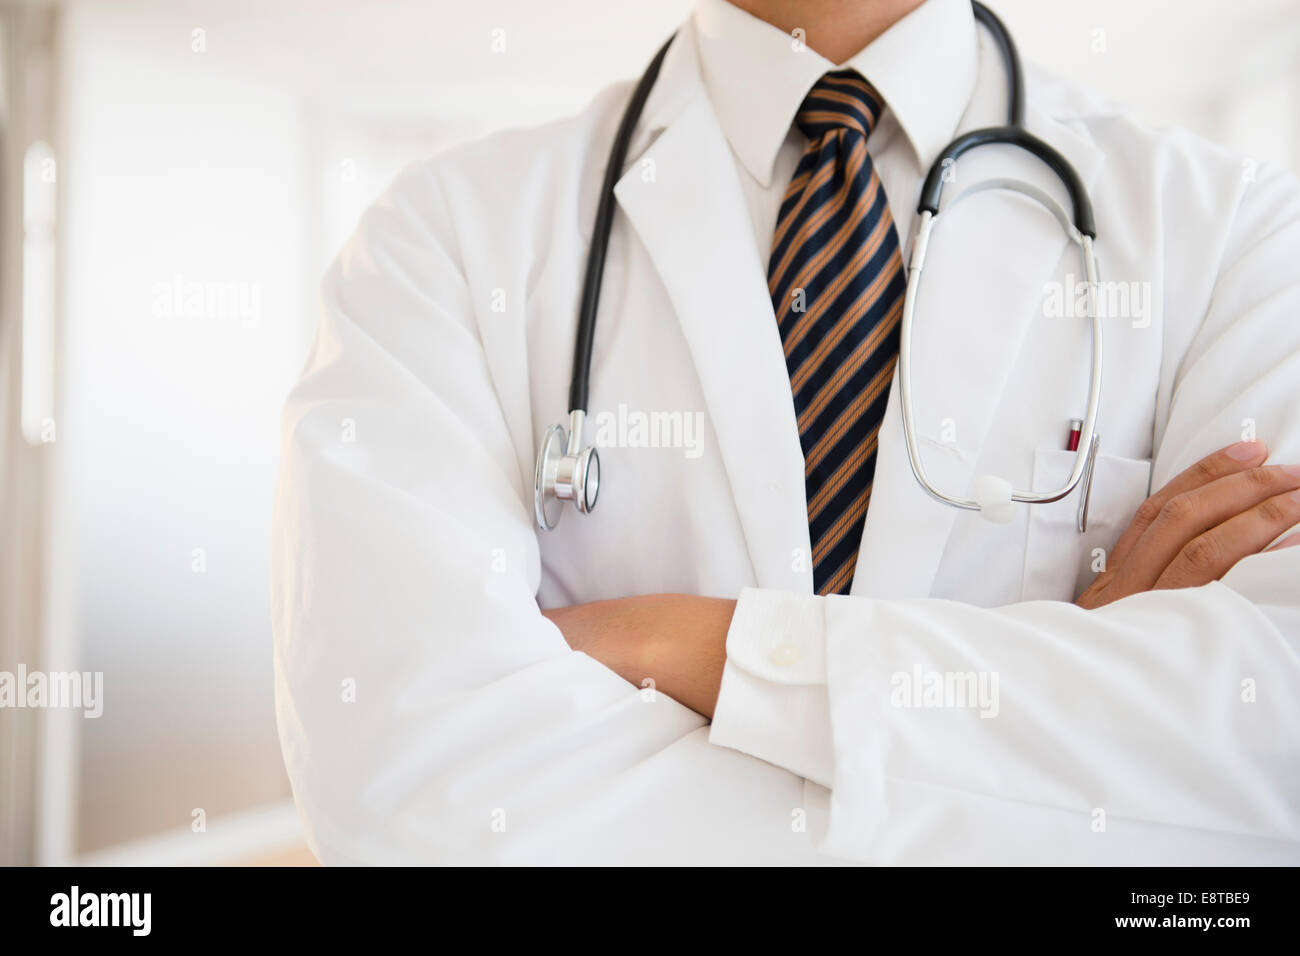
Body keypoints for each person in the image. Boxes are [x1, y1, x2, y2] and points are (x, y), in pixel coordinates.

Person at [271, 0, 1300, 864]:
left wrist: (699, 644)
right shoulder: (439, 241)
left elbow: (1270, 755)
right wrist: (1082, 709)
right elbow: (412, 790)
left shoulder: (1237, 232)